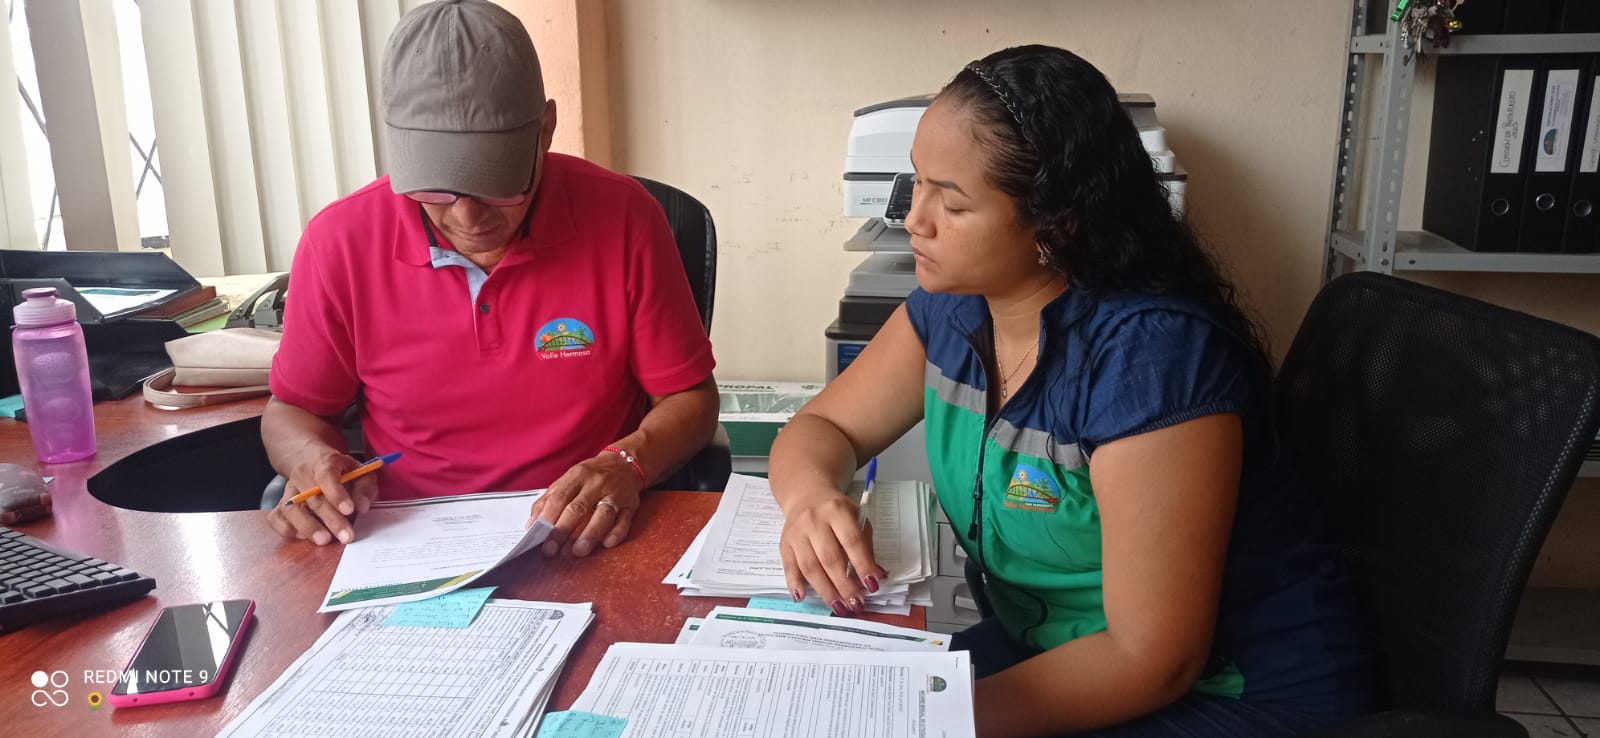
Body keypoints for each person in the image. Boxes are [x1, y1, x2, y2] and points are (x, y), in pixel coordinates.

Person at [770, 45, 1373, 737]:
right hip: (1056, 652)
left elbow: (1152, 660)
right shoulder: (952, 308)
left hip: (1234, 695)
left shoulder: (1151, 360)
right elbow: (823, 429)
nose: (915, 219)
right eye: (917, 183)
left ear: (1055, 225)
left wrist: (925, 720)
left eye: (953, 202)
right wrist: (811, 497)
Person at [262, 0, 718, 558]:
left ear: (545, 131)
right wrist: (309, 458)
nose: (466, 217)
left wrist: (627, 462)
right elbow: (293, 410)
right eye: (435, 188)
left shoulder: (625, 218)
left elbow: (690, 398)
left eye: (497, 185)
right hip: (406, 540)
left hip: (584, 536)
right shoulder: (340, 241)